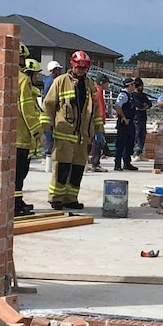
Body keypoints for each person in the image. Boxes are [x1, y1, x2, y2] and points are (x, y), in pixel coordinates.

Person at [42, 50, 104, 210]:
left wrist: (99, 130)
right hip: (64, 134)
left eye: (84, 68)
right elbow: (48, 105)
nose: (81, 70)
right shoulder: (61, 82)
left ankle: (71, 198)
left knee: (77, 170)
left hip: (82, 137)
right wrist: (46, 127)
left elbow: (95, 110)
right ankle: (56, 198)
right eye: (79, 67)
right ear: (73, 65)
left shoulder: (89, 85)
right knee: (62, 169)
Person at [15, 58, 44, 216]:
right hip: (21, 138)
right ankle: (16, 205)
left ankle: (17, 202)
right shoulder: (23, 81)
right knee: (19, 173)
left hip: (15, 137)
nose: (37, 78)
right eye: (36, 75)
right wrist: (38, 133)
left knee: (17, 174)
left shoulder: (15, 78)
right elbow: (27, 111)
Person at [113, 78, 138, 171]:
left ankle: (127, 163)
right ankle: (117, 164)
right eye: (133, 85)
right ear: (130, 85)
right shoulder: (123, 95)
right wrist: (123, 116)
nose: (134, 86)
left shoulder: (130, 95)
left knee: (129, 143)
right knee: (120, 144)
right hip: (124, 123)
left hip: (130, 122)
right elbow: (117, 106)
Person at [89, 73, 110, 172]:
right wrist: (100, 125)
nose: (108, 85)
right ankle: (95, 164)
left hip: (93, 122)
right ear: (102, 83)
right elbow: (100, 110)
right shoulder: (98, 93)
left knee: (94, 143)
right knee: (98, 144)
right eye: (107, 83)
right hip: (97, 123)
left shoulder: (95, 91)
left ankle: (91, 162)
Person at [132, 77, 152, 160]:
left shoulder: (143, 95)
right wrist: (143, 106)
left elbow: (149, 103)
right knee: (136, 135)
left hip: (143, 117)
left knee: (142, 135)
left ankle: (139, 153)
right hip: (136, 118)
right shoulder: (133, 95)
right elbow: (139, 105)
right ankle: (133, 153)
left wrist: (144, 107)